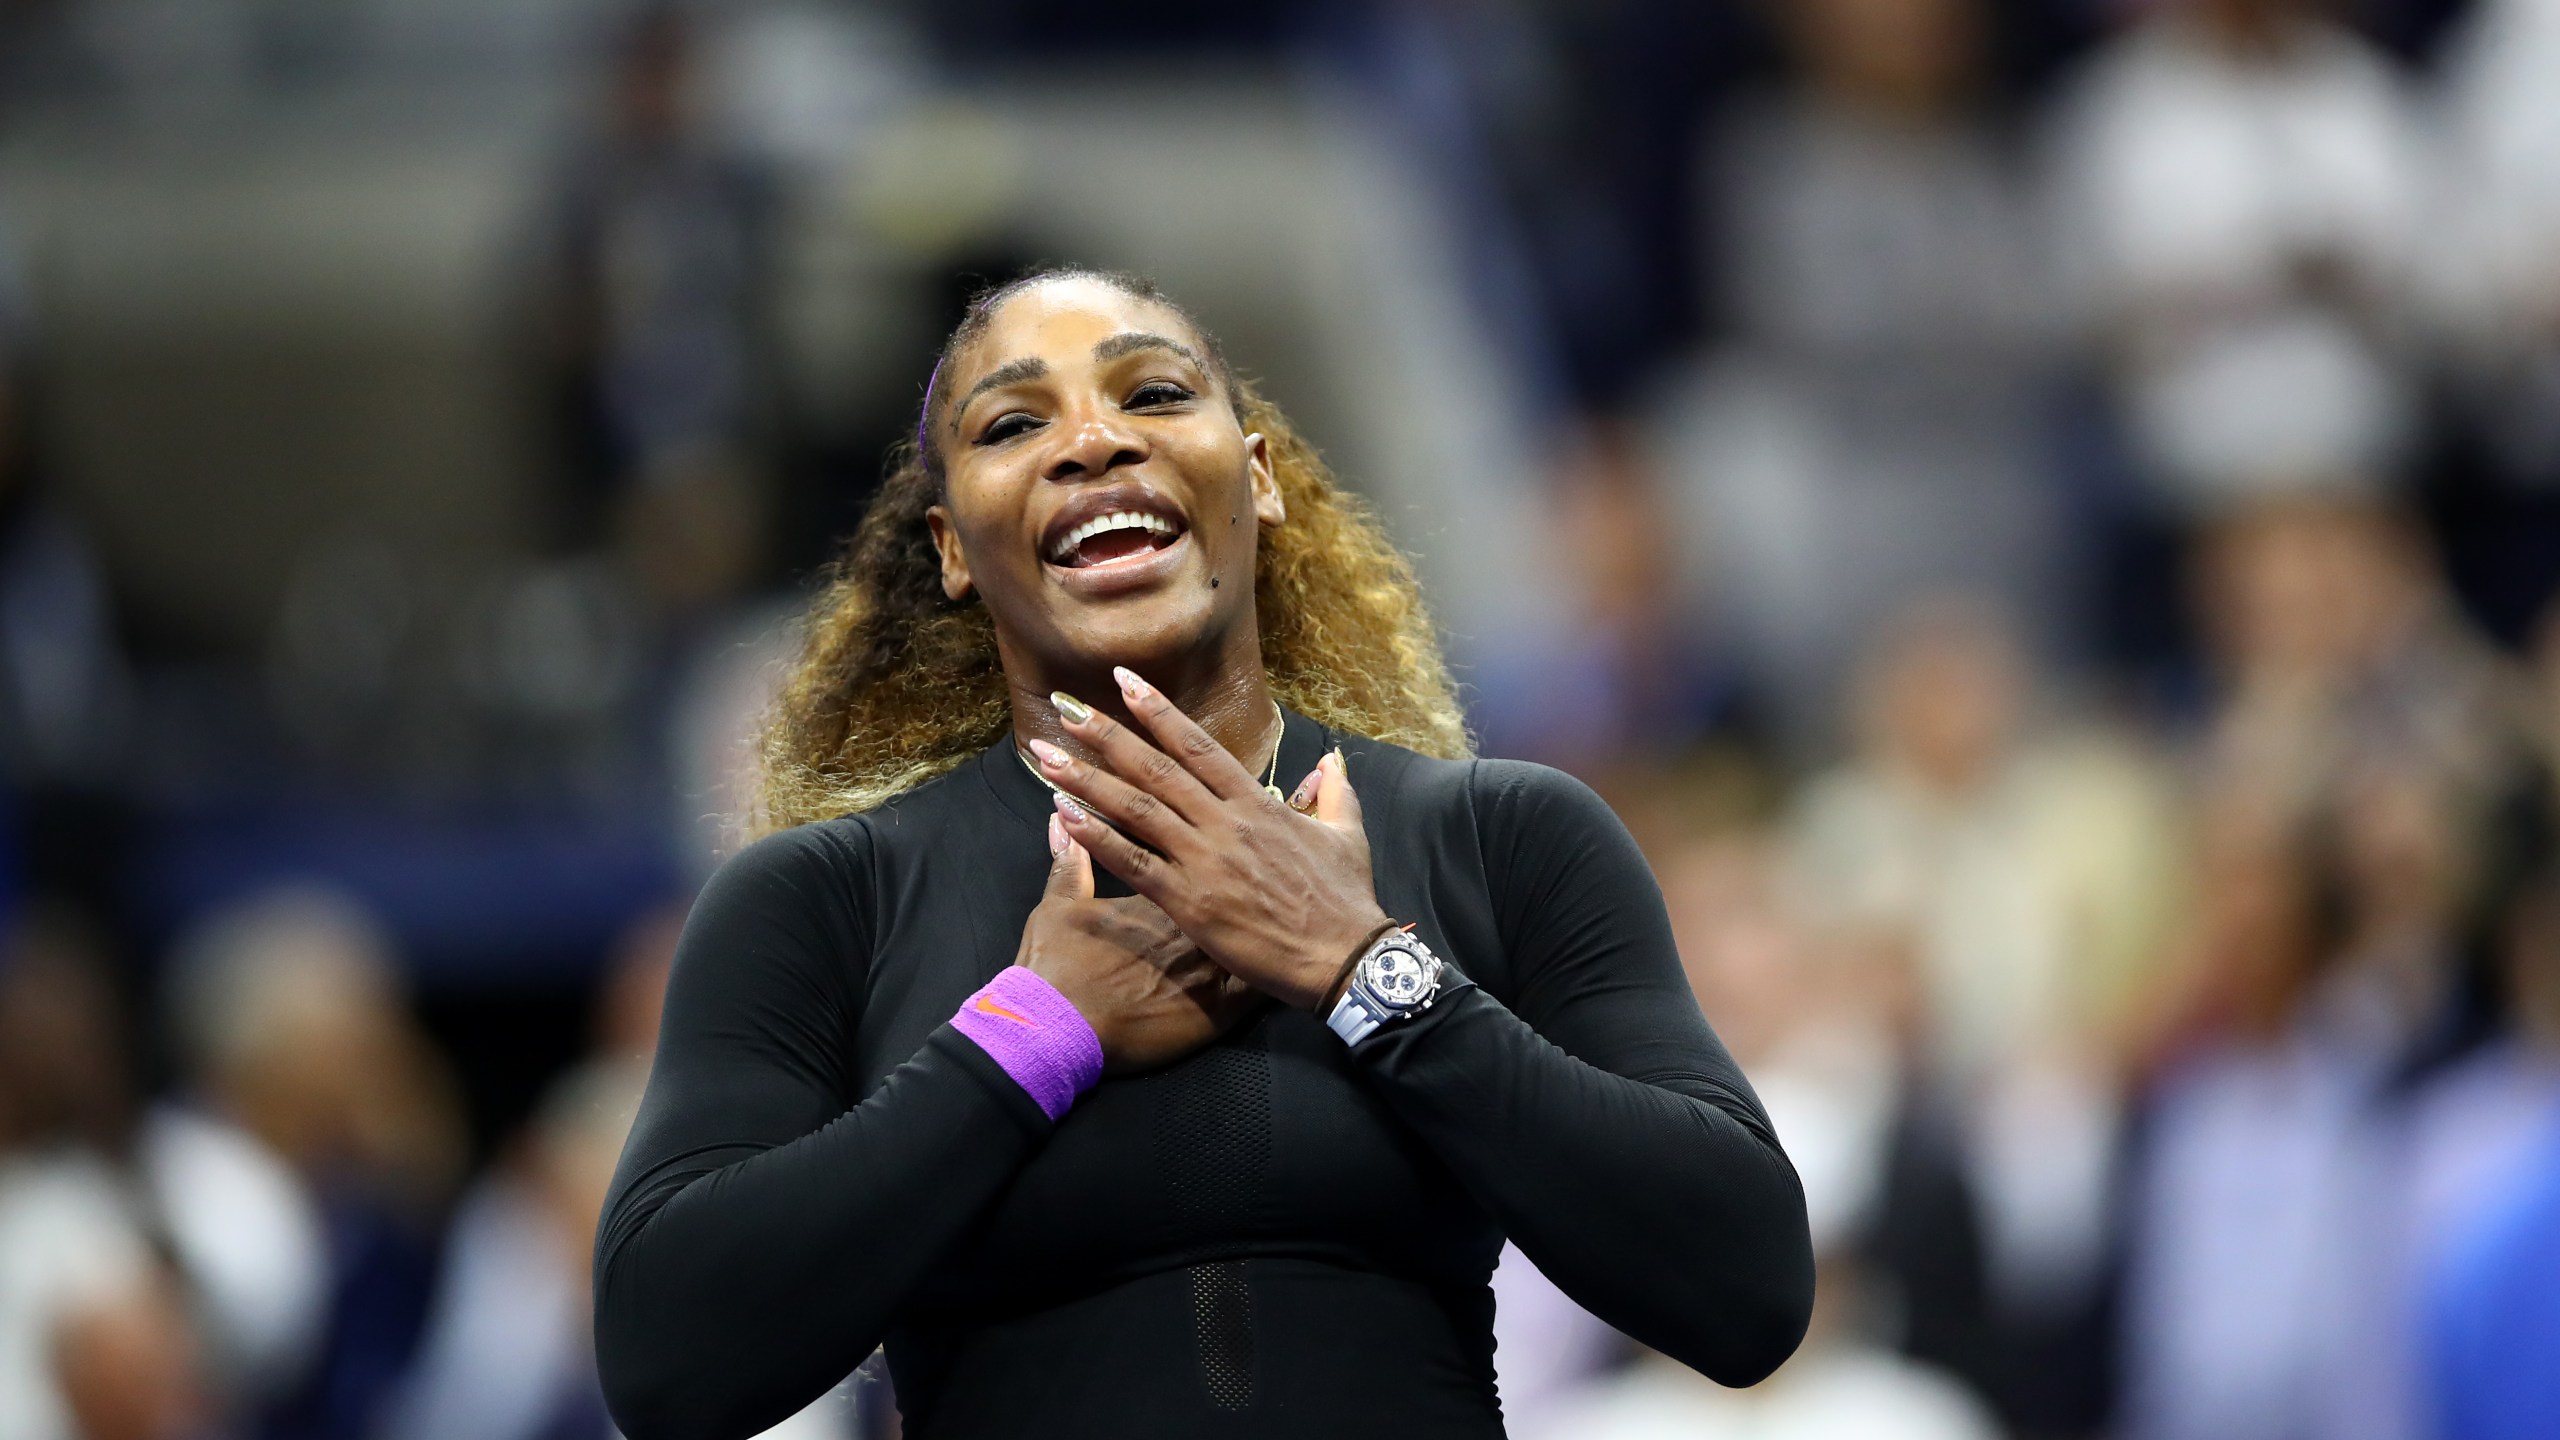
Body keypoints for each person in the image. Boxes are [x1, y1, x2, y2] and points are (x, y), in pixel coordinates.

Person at [593, 266, 1814, 1438]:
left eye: (1155, 395)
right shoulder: (824, 901)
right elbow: (669, 1363)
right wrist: (1032, 1035)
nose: (1093, 441)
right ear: (954, 548)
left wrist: (1359, 964)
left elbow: (1744, 1288)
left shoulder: (1504, 838)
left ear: (1260, 477)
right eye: (1014, 422)